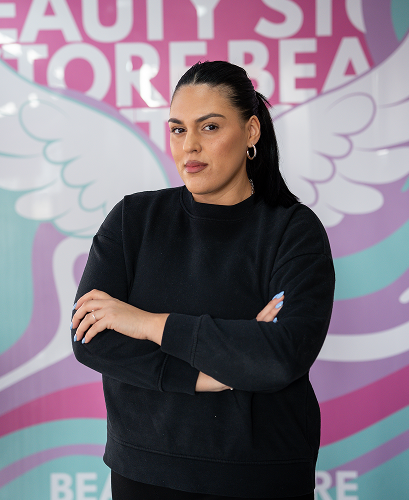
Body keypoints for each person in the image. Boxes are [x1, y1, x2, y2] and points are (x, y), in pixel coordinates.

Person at [71, 61, 335, 500]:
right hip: (145, 471)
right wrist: (213, 372)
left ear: (251, 132)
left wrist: (145, 323)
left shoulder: (294, 231)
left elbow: (279, 356)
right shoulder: (134, 220)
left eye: (209, 127)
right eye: (178, 130)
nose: (189, 145)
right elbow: (90, 337)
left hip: (261, 474)